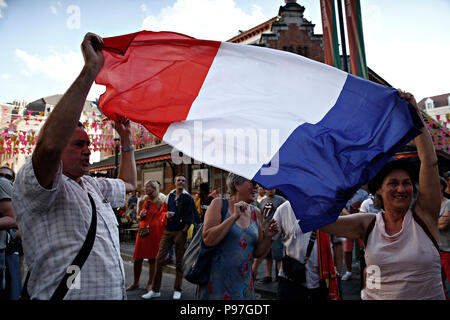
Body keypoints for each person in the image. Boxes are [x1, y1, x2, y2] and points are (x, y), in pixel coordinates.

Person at [12, 33, 137, 300]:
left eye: (89, 144)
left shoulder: (92, 185)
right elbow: (48, 147)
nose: (88, 150)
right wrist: (91, 70)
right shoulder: (37, 183)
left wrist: (126, 139)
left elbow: (129, 184)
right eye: (78, 144)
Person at [321, 90, 445, 300]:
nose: (401, 189)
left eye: (407, 183)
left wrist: (415, 114)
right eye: (393, 183)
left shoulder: (424, 217)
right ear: (378, 189)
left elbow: (430, 163)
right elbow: (323, 222)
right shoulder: (367, 224)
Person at [197, 173, 279, 300]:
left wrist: (269, 237)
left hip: (244, 287)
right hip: (217, 286)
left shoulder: (255, 213)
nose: (257, 187)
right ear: (237, 185)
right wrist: (234, 217)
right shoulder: (219, 204)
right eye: (252, 183)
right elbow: (208, 239)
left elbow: (257, 253)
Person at [143, 174, 198, 300]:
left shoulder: (188, 197)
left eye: (183, 180)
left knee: (179, 262)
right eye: (178, 180)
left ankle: (177, 289)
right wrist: (166, 215)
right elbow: (162, 210)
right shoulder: (170, 195)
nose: (181, 182)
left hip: (180, 231)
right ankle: (155, 290)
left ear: (185, 183)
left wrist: (183, 231)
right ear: (174, 182)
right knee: (159, 259)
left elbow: (191, 216)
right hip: (168, 231)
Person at [273, 201, 340, 301]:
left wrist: (337, 273)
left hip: (322, 279)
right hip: (292, 278)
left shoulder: (328, 208)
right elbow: (270, 237)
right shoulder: (283, 209)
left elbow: (337, 243)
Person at [126, 180, 167, 293]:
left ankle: (151, 283)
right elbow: (138, 217)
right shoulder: (142, 201)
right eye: (145, 187)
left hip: (155, 232)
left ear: (154, 188)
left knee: (152, 259)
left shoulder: (160, 201)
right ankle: (135, 282)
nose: (145, 189)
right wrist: (140, 216)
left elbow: (163, 216)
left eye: (148, 187)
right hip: (143, 231)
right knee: (137, 258)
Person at [252, 188, 285, 283]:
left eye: (273, 189)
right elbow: (261, 215)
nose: (271, 190)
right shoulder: (262, 201)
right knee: (267, 255)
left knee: (278, 255)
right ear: (265, 190)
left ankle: (280, 275)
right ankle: (268, 275)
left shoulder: (280, 200)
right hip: (265, 230)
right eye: (268, 189)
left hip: (276, 231)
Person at [340, 188, 368, 281]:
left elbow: (365, 207)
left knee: (364, 247)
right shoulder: (344, 192)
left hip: (360, 223)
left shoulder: (363, 194)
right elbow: (341, 207)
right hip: (348, 223)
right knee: (347, 248)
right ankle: (348, 271)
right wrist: (350, 216)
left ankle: (365, 268)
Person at [0, 168, 17, 300]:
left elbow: (14, 219)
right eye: (1, 175)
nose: (3, 177)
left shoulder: (3, 184)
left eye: (8, 176)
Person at [438, 177, 450, 299]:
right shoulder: (429, 206)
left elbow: (443, 225)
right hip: (436, 251)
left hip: (447, 251)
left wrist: (430, 222)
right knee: (439, 285)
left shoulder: (448, 203)